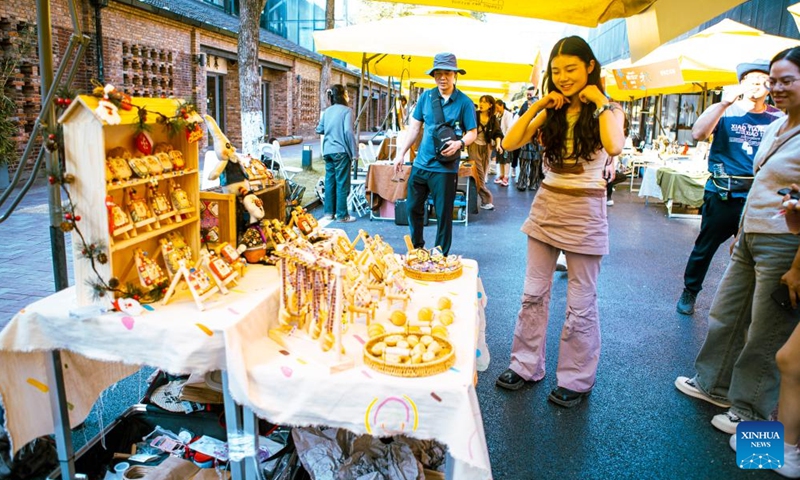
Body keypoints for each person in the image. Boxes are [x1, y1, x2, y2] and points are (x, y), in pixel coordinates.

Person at [675, 47, 800, 436]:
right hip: (753, 234)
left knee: (768, 334)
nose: (776, 87)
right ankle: (715, 386)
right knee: (727, 313)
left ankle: (752, 415)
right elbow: (760, 181)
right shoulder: (780, 125)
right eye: (773, 80)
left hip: (784, 243)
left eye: (786, 80)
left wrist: (798, 267)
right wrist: (743, 232)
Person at [494, 36, 625, 408]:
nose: (563, 77)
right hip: (547, 205)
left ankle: (576, 379)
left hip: (586, 209)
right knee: (532, 293)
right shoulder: (551, 109)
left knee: (581, 302)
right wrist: (539, 103)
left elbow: (614, 146)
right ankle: (524, 364)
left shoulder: (609, 109)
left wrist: (599, 100)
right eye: (557, 71)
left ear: (590, 67)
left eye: (571, 69)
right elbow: (509, 142)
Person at [676, 59, 783, 315]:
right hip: (724, 193)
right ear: (741, 83)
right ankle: (690, 291)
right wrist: (724, 103)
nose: (757, 84)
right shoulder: (724, 110)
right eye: (751, 80)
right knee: (705, 247)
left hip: (760, 196)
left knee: (757, 251)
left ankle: (750, 305)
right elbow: (698, 134)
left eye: (763, 80)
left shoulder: (778, 117)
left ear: (770, 85)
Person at [393, 53, 477, 255]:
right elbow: (414, 128)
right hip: (421, 164)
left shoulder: (464, 102)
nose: (442, 77)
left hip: (445, 168)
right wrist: (400, 153)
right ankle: (417, 248)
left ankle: (440, 253)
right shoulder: (426, 97)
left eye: (447, 73)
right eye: (438, 73)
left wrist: (459, 144)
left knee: (443, 213)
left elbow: (472, 133)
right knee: (412, 207)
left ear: (455, 75)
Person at [316, 84, 357, 223]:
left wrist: (330, 127)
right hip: (341, 151)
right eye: (347, 93)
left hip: (327, 151)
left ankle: (329, 213)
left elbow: (319, 129)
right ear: (343, 95)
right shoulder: (347, 111)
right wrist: (354, 153)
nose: (348, 96)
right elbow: (348, 132)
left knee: (330, 182)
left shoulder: (327, 111)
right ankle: (342, 215)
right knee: (342, 183)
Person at [470, 95, 502, 207]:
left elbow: (497, 133)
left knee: (482, 174)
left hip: (486, 148)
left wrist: (498, 145)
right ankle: (486, 199)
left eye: (484, 102)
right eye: (481, 101)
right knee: (479, 172)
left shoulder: (493, 118)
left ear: (490, 105)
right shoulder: (474, 115)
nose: (481, 104)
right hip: (474, 145)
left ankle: (474, 199)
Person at [495, 99, 514, 186]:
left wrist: (505, 139)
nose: (496, 109)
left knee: (506, 158)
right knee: (500, 158)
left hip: (506, 139)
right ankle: (501, 175)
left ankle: (506, 177)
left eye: (497, 107)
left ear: (502, 105)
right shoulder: (497, 115)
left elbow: (509, 128)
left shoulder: (508, 115)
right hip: (499, 140)